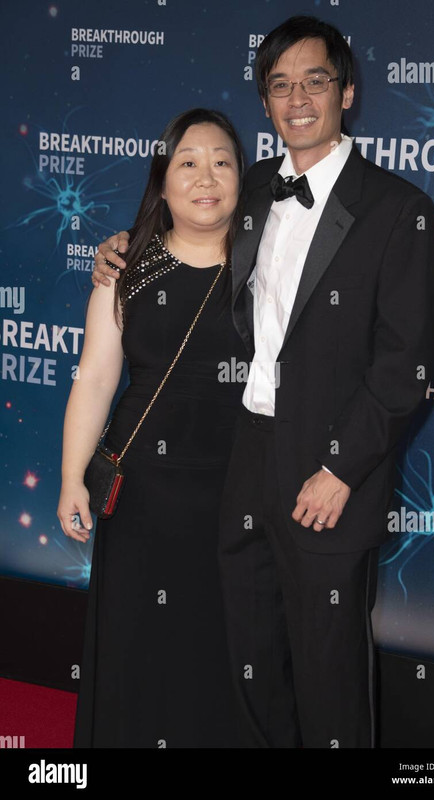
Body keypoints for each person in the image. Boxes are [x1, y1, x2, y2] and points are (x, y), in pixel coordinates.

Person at [93, 16, 434, 748]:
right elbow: (180, 233)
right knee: (249, 662)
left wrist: (340, 469)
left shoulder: (397, 209)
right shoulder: (248, 189)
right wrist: (122, 246)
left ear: (347, 93)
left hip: (330, 470)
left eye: (316, 80)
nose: (299, 99)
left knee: (328, 674)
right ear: (266, 103)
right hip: (245, 459)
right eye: (280, 86)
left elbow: (406, 366)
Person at [58, 108, 248, 748]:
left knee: (219, 648)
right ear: (162, 180)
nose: (205, 176)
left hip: (235, 497)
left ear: (241, 178)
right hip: (140, 496)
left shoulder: (269, 272)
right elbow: (93, 380)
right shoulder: (124, 270)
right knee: (138, 642)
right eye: (187, 162)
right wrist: (69, 481)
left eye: (222, 161)